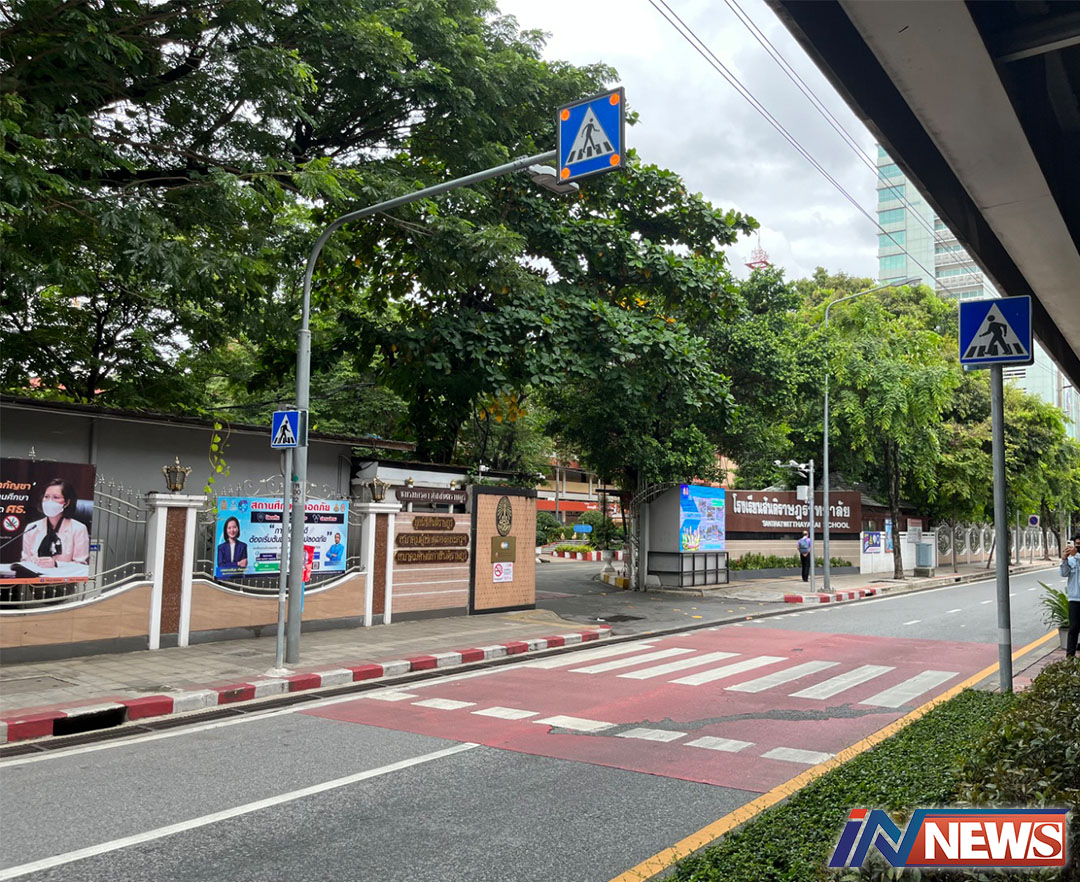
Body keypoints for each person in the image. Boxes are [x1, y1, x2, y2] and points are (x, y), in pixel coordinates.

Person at [20, 478, 90, 571]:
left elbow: (81, 566)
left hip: (64, 578)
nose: (49, 501)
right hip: (34, 577)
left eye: (56, 497)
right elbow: (25, 561)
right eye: (46, 497)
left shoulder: (78, 529)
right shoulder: (32, 528)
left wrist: (56, 564)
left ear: (67, 503)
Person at [1059, 531, 1080, 659]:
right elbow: (1064, 573)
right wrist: (1064, 560)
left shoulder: (1076, 556)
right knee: (1073, 629)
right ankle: (1070, 658)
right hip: (1074, 599)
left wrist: (1076, 555)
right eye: (1076, 544)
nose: (1077, 547)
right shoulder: (1072, 559)